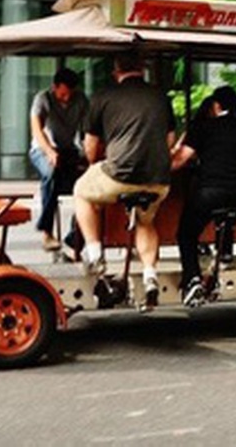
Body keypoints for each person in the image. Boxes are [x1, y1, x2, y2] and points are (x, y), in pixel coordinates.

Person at [73, 51, 176, 308]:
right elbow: (170, 140)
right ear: (143, 68)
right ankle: (150, 275)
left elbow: (90, 145)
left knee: (81, 191)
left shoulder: (102, 96)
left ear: (115, 70)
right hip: (158, 179)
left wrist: (94, 164)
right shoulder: (160, 97)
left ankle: (95, 252)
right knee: (145, 221)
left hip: (119, 173)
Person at [172, 86, 236, 307]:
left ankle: (192, 279)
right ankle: (225, 239)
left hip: (210, 191)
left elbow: (181, 160)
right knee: (227, 211)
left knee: (186, 233)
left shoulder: (202, 127)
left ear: (216, 105)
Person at [29, 67, 88, 251]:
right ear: (54, 87)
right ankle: (46, 231)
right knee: (51, 173)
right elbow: (36, 129)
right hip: (42, 149)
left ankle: (75, 236)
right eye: (63, 94)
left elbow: (88, 129)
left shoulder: (80, 100)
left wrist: (88, 153)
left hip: (68, 149)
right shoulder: (43, 98)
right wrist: (49, 151)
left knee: (89, 180)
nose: (67, 98)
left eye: (70, 94)